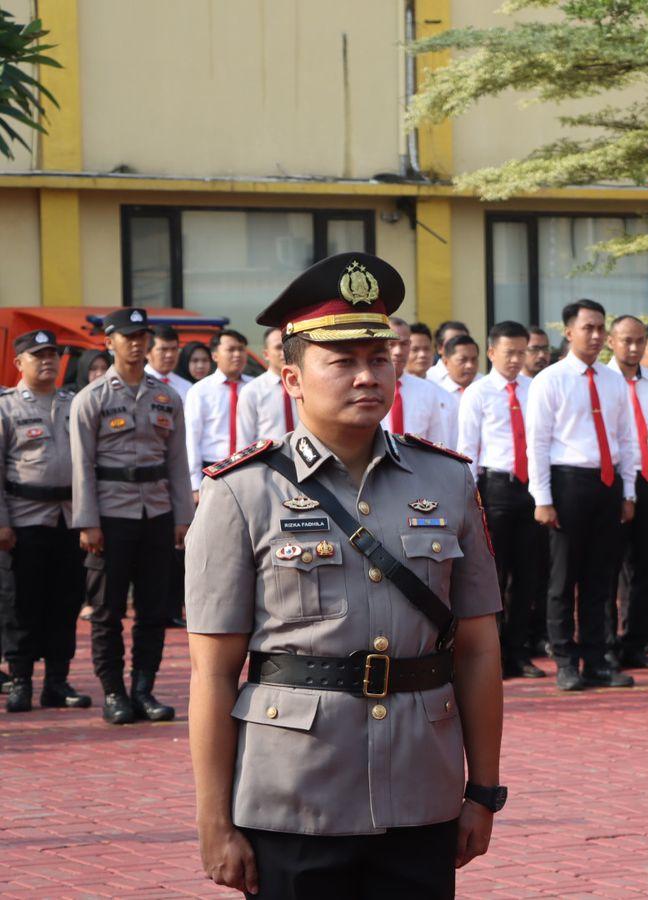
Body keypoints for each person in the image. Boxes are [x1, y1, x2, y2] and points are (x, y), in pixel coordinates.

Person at [185, 252, 505, 899]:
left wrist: (483, 790)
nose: (368, 376)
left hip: (422, 788)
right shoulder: (241, 493)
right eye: (344, 361)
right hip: (294, 794)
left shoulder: (445, 481)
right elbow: (213, 672)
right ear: (292, 377)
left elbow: (477, 650)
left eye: (379, 358)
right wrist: (214, 821)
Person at [70, 307, 194, 725]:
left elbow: (178, 463)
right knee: (106, 610)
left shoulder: (166, 396)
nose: (137, 344)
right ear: (110, 343)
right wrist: (87, 521)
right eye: (128, 337)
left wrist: (183, 516)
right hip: (110, 515)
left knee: (155, 608)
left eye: (142, 336)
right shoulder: (92, 398)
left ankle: (144, 688)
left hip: (157, 512)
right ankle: (113, 692)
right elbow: (81, 465)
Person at [527, 299, 638, 692]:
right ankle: (565, 661)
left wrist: (628, 490)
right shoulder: (550, 380)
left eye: (600, 328)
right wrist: (542, 498)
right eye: (587, 328)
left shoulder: (613, 381)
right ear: (569, 331)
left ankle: (596, 660)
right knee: (562, 579)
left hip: (606, 484)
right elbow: (537, 443)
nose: (595, 336)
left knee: (600, 579)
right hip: (567, 482)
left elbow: (627, 438)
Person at [0, 330, 93, 713]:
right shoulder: (6, 407)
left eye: (52, 354)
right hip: (24, 518)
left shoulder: (73, 404)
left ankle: (57, 681)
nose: (48, 361)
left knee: (65, 599)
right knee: (21, 602)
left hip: (68, 518)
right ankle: (20, 680)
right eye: (38, 355)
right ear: (20, 362)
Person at [456, 322, 547, 681]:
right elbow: (467, 449)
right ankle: (492, 654)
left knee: (528, 575)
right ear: (492, 353)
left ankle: (519, 652)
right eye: (509, 353)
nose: (516, 359)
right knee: (495, 576)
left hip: (532, 487)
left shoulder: (535, 389)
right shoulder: (478, 394)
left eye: (522, 352)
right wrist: (472, 499)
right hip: (496, 488)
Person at [606, 315, 648, 671]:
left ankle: (635, 643)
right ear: (611, 342)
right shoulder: (600, 381)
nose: (634, 348)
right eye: (626, 340)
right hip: (612, 480)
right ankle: (605, 645)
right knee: (609, 568)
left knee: (647, 567)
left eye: (639, 341)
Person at [184, 330, 254, 494]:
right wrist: (194, 484)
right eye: (231, 350)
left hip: (250, 464)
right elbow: (192, 439)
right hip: (213, 467)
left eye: (241, 349)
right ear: (215, 356)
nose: (237, 354)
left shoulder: (255, 387)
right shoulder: (199, 390)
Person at [384, 318, 455, 449]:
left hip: (417, 466)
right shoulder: (367, 386)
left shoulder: (427, 390)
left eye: (404, 344)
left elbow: (437, 443)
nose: (398, 351)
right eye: (391, 344)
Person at [236, 327, 297, 444]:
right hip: (269, 459)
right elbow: (244, 439)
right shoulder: (251, 390)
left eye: (288, 345)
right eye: (278, 347)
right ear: (266, 354)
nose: (284, 351)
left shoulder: (304, 385)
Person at [147, 325, 193, 399]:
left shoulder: (186, 387)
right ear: (147, 352)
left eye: (174, 349)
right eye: (163, 349)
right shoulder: (136, 384)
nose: (170, 355)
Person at [426, 320, 471, 387]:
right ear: (440, 348)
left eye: (464, 342)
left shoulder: (480, 381)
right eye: (452, 343)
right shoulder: (428, 379)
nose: (459, 347)